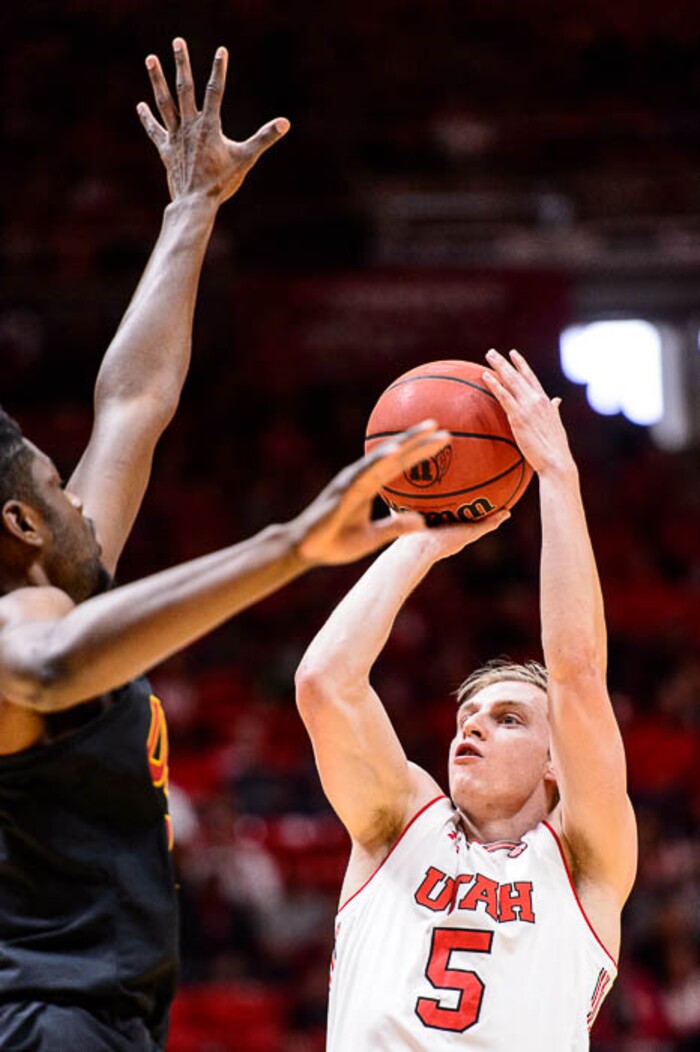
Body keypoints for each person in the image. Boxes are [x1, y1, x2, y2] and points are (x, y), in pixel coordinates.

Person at [0, 38, 450, 1052]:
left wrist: (190, 209)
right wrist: (290, 544)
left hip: (90, 1009)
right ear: (21, 525)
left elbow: (133, 405)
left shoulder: (59, 575)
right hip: (42, 1018)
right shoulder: (21, 623)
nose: (78, 488)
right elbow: (48, 662)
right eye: (48, 477)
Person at [295, 348, 638, 1051]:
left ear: (555, 763)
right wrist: (420, 542)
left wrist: (557, 476)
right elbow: (324, 684)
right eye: (466, 718)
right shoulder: (399, 824)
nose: (471, 731)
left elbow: (576, 672)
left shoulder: (585, 860)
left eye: (508, 719)